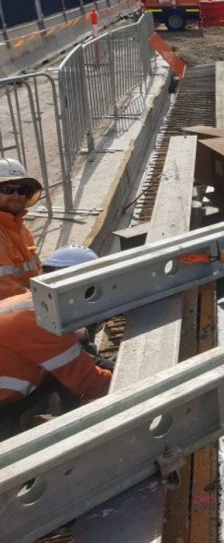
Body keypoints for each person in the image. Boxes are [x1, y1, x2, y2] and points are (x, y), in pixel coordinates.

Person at [0, 245, 111, 437]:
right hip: (4, 406)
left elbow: (76, 357)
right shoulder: (37, 322)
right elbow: (89, 382)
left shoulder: (35, 306)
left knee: (75, 356)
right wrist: (130, 380)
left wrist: (109, 365)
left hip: (9, 395)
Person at [0, 158, 43, 301]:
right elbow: (5, 290)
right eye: (7, 189)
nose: (16, 195)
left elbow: (36, 271)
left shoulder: (21, 229)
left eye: (22, 190)